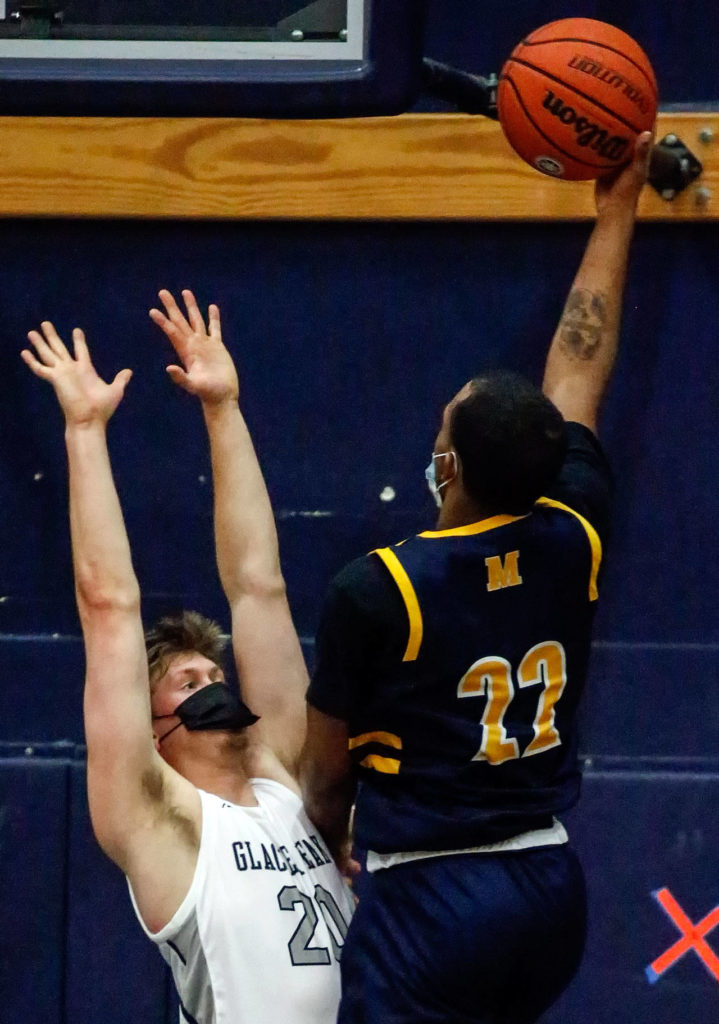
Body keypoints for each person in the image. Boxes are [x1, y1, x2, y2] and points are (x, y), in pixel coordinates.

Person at [301, 131, 654, 1024]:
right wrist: (620, 204)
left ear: (448, 469)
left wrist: (328, 841)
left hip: (432, 897)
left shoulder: (379, 586)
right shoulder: (573, 528)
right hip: (545, 887)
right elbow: (579, 361)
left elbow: (324, 780)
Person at [21, 290, 352, 1024]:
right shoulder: (160, 819)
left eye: (214, 674)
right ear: (149, 719)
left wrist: (222, 407)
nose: (211, 684)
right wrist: (84, 431)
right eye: (187, 680)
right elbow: (108, 605)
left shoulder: (280, 779)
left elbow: (258, 585)